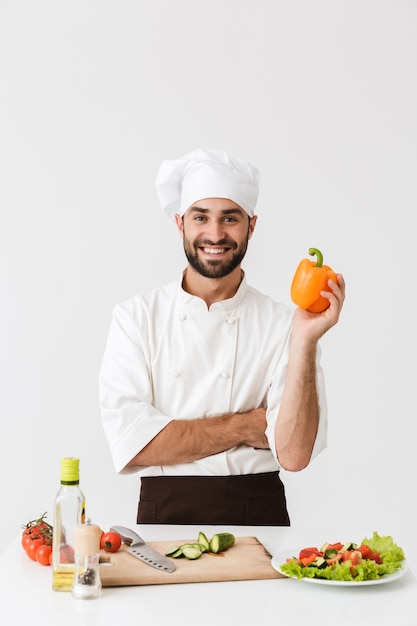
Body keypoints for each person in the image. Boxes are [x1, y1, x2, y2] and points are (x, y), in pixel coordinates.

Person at [99, 148, 345, 526]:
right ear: (181, 223)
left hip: (258, 509)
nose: (215, 234)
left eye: (230, 218)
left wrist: (306, 340)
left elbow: (293, 455)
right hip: (164, 511)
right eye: (201, 217)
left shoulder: (286, 325)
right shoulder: (135, 319)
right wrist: (246, 426)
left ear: (252, 225)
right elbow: (134, 445)